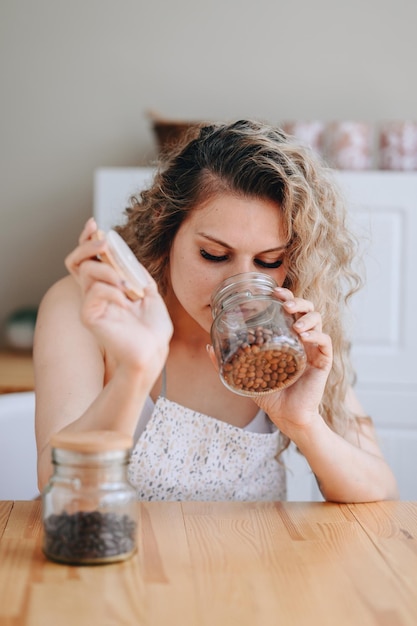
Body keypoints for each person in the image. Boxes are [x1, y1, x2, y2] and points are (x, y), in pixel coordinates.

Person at [34, 119, 399, 502]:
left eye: (269, 261)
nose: (238, 286)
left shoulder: (288, 334)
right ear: (165, 224)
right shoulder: (87, 306)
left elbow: (381, 489)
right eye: (214, 255)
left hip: (255, 560)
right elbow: (55, 481)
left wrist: (303, 423)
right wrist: (136, 369)